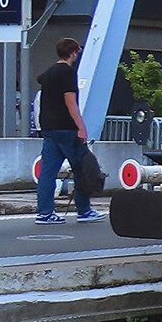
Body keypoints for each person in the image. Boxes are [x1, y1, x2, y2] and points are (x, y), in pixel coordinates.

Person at [35, 38, 105, 225]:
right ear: (73, 53)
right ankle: (84, 210)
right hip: (66, 128)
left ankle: (44, 212)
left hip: (49, 128)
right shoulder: (67, 73)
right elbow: (70, 102)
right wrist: (81, 126)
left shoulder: (48, 73)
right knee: (82, 167)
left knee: (48, 172)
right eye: (77, 52)